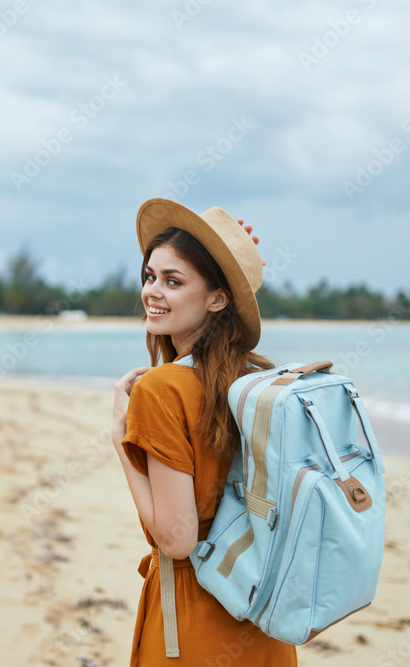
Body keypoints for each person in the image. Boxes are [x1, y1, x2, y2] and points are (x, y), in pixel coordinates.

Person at [111, 198, 298, 665]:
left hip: (193, 627)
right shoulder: (256, 380)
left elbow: (177, 539)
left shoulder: (160, 389)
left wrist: (120, 439)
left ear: (218, 298)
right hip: (263, 617)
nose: (152, 291)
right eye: (150, 276)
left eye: (174, 281)